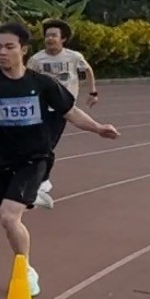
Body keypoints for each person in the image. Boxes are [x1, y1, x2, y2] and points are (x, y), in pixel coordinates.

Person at [0, 21, 118, 296]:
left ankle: (26, 270)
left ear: (23, 50)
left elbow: (70, 112)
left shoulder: (42, 83)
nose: (2, 52)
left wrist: (98, 128)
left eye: (9, 47)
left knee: (10, 217)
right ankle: (30, 198)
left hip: (34, 158)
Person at [27, 18, 99, 209]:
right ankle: (39, 180)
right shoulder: (36, 60)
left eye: (54, 35)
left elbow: (87, 70)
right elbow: (26, 79)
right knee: (38, 143)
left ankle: (42, 181)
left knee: (47, 144)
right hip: (41, 107)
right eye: (47, 36)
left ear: (63, 39)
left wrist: (92, 92)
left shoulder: (73, 57)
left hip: (62, 109)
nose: (50, 39)